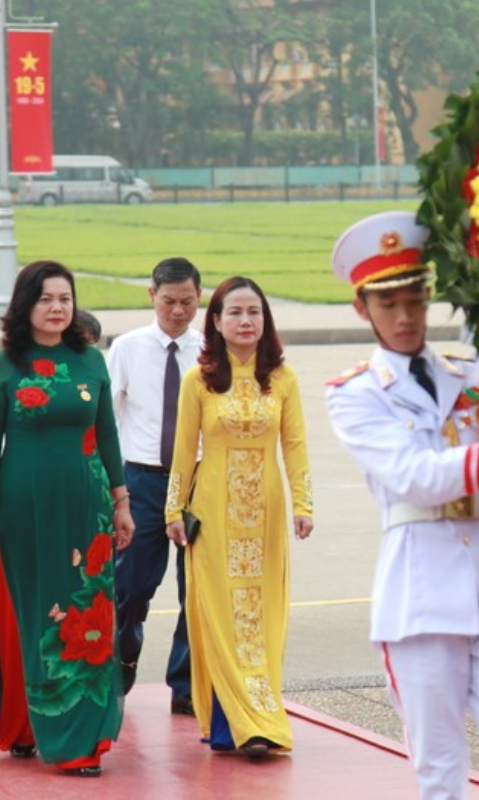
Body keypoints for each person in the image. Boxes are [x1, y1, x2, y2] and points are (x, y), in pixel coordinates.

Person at [323, 211, 479, 800]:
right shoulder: (356, 395)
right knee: (441, 775)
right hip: (420, 594)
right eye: (389, 305)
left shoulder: (470, 375)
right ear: (362, 309)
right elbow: (418, 477)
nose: (406, 317)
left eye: (416, 301)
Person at [0, 259, 135, 776]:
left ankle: (83, 735)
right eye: (46, 299)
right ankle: (34, 726)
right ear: (26, 306)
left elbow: (107, 435)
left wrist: (123, 501)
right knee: (42, 613)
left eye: (65, 298)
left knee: (93, 613)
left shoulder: (91, 361)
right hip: (25, 508)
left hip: (90, 507)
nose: (57, 307)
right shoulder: (5, 366)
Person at [165, 275, 313, 759]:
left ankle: (263, 720)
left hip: (266, 518)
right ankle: (234, 726)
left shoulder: (282, 379)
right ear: (217, 321)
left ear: (265, 320)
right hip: (212, 517)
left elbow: (294, 445)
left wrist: (303, 504)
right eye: (235, 312)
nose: (246, 321)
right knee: (222, 618)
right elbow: (184, 452)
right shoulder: (199, 380)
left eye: (254, 312)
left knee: (262, 617)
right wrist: (173, 510)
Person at [106, 256, 202, 715]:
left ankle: (184, 682)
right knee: (131, 585)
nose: (178, 311)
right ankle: (122, 659)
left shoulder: (212, 351)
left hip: (198, 481)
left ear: (199, 298)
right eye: (169, 302)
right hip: (142, 479)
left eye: (187, 302)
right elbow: (107, 419)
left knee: (196, 588)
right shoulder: (127, 348)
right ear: (151, 296)